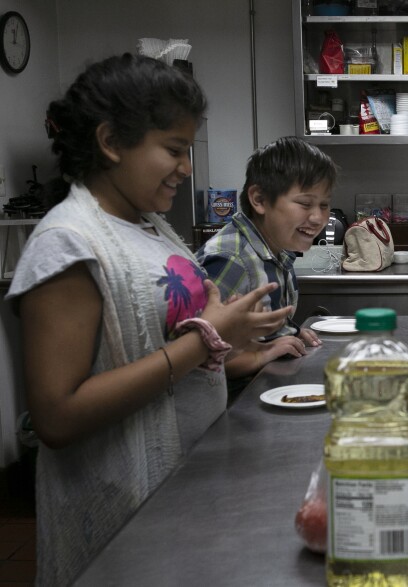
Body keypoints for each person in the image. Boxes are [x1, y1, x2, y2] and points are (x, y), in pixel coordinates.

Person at [5, 54, 293, 586]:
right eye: (174, 149)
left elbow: (167, 335)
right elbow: (57, 415)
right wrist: (207, 338)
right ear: (112, 141)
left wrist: (233, 335)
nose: (186, 167)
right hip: (118, 511)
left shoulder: (148, 225)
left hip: (179, 491)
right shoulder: (68, 243)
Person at [196, 136, 338, 392]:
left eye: (324, 205)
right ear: (259, 200)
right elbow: (199, 361)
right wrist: (263, 353)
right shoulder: (232, 260)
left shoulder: (276, 250)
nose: (318, 218)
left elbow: (254, 333)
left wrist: (286, 334)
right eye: (305, 204)